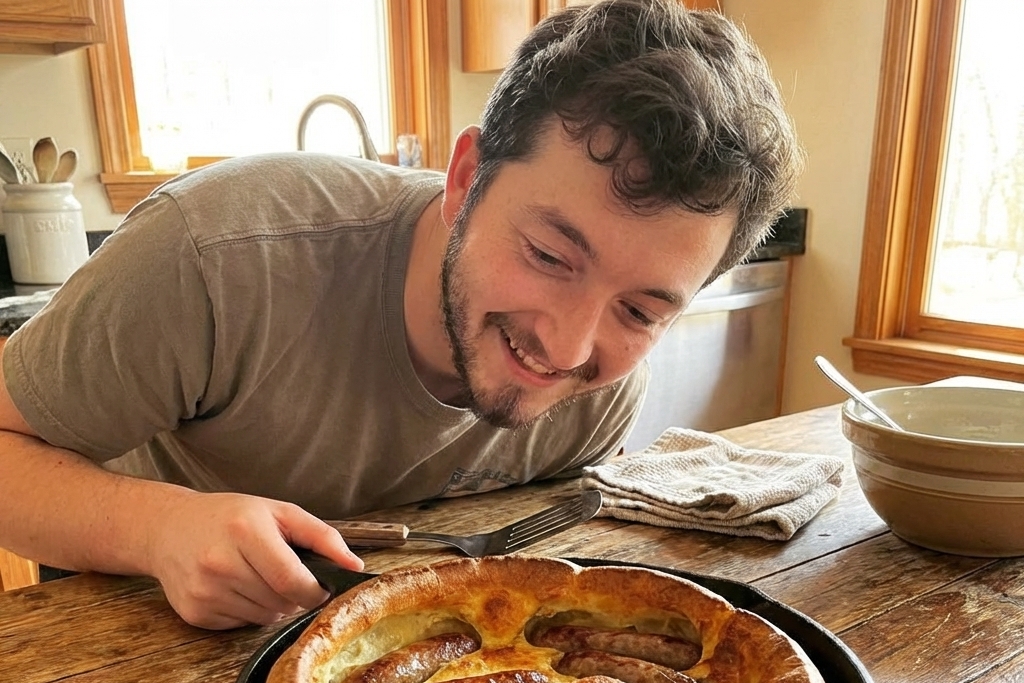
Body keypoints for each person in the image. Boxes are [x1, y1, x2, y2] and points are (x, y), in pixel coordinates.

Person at [0, 0, 800, 629]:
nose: (567, 345)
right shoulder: (215, 253)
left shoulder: (602, 386)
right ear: (465, 180)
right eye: (551, 257)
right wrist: (160, 530)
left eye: (638, 308)